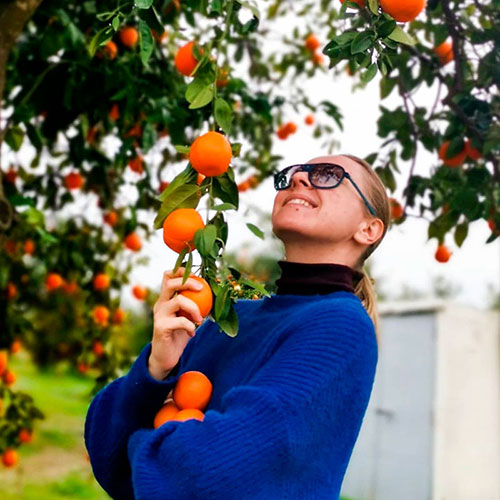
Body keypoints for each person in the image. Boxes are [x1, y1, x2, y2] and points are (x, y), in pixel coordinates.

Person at [84, 154, 390, 500]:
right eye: (293, 174)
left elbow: (206, 474)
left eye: (327, 175)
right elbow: (108, 456)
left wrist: (146, 439)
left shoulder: (341, 326)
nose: (299, 179)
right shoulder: (229, 320)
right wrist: (157, 368)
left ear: (368, 229)